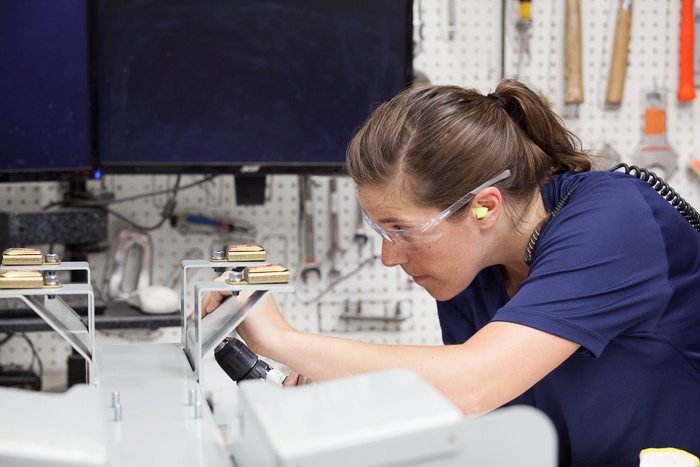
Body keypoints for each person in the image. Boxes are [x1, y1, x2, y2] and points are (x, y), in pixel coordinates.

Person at [202, 79, 700, 467]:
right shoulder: (472, 268)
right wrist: (342, 387)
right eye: (379, 229)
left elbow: (474, 381)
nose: (389, 257)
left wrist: (280, 339)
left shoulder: (614, 223)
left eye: (403, 230)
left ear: (484, 207)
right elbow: (476, 399)